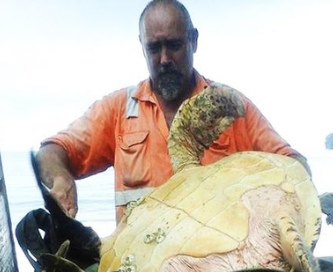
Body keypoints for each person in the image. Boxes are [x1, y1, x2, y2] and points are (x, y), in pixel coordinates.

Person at [36, 0, 310, 222]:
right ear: (142, 48)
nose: (165, 59)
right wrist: (60, 177)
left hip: (217, 264)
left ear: (194, 41)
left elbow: (292, 163)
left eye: (174, 45)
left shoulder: (229, 106)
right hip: (140, 271)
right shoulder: (118, 110)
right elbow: (51, 151)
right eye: (154, 48)